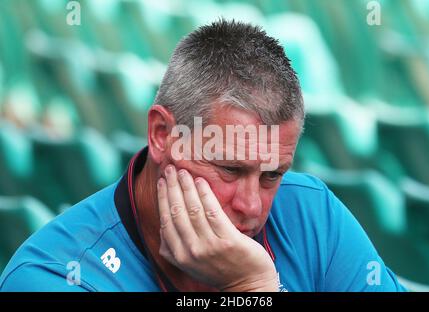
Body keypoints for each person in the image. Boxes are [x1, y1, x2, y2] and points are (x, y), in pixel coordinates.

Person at [0, 20, 406, 292]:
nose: (251, 206)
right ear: (163, 135)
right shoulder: (55, 277)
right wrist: (251, 290)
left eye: (272, 175)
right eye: (230, 169)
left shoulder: (311, 213)